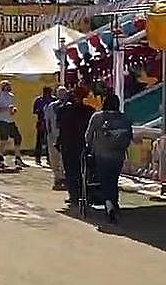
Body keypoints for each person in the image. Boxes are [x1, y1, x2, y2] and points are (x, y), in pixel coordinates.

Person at [85, 94, 133, 223]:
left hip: (101, 154)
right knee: (113, 179)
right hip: (119, 154)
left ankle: (109, 204)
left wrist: (90, 148)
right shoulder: (125, 118)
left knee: (104, 180)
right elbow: (130, 137)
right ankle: (114, 202)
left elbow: (88, 136)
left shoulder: (98, 117)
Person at [57, 87, 96, 207]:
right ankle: (85, 195)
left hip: (68, 144)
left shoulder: (63, 110)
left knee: (70, 171)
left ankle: (74, 196)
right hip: (83, 144)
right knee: (84, 171)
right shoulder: (89, 111)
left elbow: (60, 127)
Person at [0, 81, 25, 170]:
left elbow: (11, 107)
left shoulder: (11, 96)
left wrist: (13, 110)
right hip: (0, 120)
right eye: (5, 86)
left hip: (10, 120)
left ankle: (17, 158)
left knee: (18, 137)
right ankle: (1, 159)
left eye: (8, 85)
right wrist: (6, 109)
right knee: (4, 139)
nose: (7, 87)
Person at [45, 87, 69, 190]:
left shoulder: (69, 106)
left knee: (65, 157)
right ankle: (57, 178)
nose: (62, 95)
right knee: (54, 158)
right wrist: (49, 134)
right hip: (53, 135)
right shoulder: (51, 106)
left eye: (64, 93)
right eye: (60, 93)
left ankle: (65, 178)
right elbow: (48, 121)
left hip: (66, 135)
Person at [32, 86, 54, 165]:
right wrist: (40, 111)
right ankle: (38, 158)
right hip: (41, 121)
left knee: (50, 140)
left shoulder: (53, 100)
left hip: (50, 122)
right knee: (39, 141)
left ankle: (49, 158)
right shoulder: (39, 100)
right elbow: (34, 110)